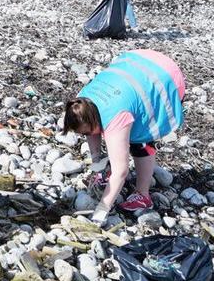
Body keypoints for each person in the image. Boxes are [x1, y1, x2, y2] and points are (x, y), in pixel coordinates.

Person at [63, 49, 185, 223]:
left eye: (86, 132)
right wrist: (97, 163)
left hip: (166, 79)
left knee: (139, 140)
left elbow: (121, 171)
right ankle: (105, 173)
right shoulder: (81, 102)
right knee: (112, 134)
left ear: (97, 121)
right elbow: (91, 130)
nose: (86, 135)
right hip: (142, 61)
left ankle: (143, 195)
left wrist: (102, 208)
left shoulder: (116, 116)